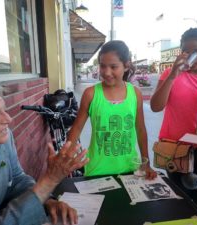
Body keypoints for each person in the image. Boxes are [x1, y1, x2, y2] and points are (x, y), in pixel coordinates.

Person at [0, 77, 89, 225]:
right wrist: (50, 179)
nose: (8, 119)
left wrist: (46, 201)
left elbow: (17, 180)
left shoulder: (2, 140)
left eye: (3, 110)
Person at [150, 28, 197, 219]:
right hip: (176, 150)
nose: (191, 56)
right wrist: (173, 74)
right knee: (177, 203)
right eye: (186, 51)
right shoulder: (170, 73)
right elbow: (156, 106)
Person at [67, 40, 156, 179]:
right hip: (97, 170)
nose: (107, 72)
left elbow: (140, 129)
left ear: (126, 66)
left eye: (113, 66)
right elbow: (76, 128)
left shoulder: (135, 94)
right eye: (103, 66)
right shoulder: (91, 94)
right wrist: (66, 156)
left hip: (129, 168)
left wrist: (146, 163)